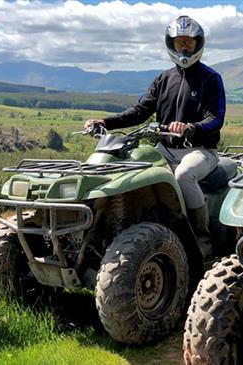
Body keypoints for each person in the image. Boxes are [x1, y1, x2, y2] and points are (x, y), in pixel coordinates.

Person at [85, 15, 226, 258]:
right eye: (179, 42)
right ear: (171, 44)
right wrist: (105, 122)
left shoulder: (211, 79)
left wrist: (192, 127)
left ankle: (203, 245)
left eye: (189, 43)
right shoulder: (163, 79)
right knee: (130, 172)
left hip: (200, 151)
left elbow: (216, 118)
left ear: (198, 44)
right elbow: (139, 111)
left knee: (184, 175)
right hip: (165, 150)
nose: (184, 48)